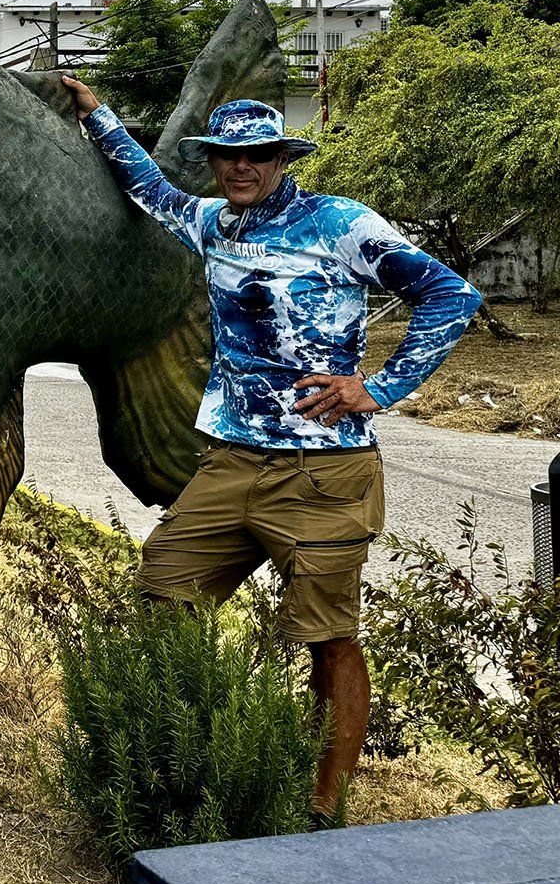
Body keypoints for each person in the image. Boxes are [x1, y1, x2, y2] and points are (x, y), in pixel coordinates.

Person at [60, 81, 482, 822]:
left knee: (327, 638)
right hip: (230, 460)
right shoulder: (213, 223)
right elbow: (150, 187)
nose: (241, 168)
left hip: (323, 470)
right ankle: (186, 766)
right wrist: (98, 117)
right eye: (228, 156)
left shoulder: (338, 223)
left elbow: (451, 296)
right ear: (216, 162)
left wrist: (378, 389)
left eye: (257, 154)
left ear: (282, 156)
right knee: (165, 587)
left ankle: (325, 805)